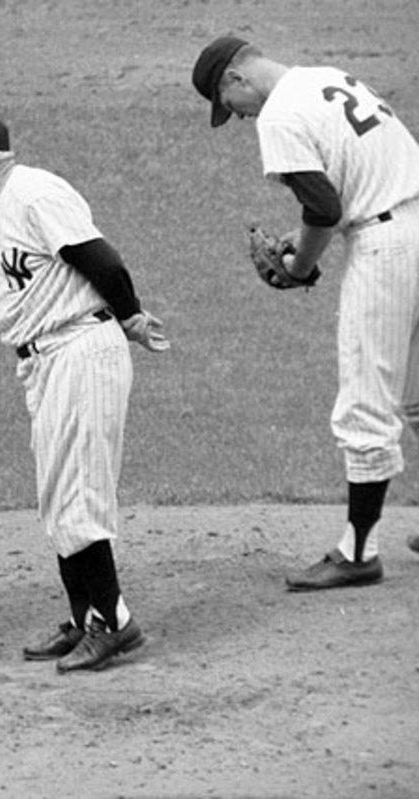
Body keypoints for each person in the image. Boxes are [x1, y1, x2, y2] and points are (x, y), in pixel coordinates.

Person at [0, 113, 169, 673]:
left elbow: (98, 257)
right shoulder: (9, 207)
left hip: (79, 350)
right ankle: (86, 619)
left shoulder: (35, 193)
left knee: (79, 495)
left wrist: (129, 318)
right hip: (49, 359)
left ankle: (112, 623)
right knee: (59, 498)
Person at [192, 36, 419, 590]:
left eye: (231, 108)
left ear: (236, 81)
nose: (241, 118)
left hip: (389, 251)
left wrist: (299, 267)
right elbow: (357, 183)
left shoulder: (279, 115)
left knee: (366, 402)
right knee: (417, 395)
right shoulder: (329, 76)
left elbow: (325, 206)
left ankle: (357, 552)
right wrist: (310, 238)